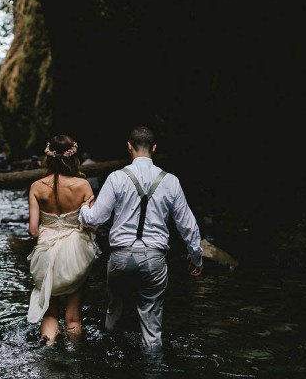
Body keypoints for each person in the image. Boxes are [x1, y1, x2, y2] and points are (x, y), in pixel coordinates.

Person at [78, 126, 203, 353]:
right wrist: (196, 258)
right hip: (154, 259)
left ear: (129, 147)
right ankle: (152, 367)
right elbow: (188, 224)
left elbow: (95, 219)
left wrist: (83, 209)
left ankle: (107, 360)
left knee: (114, 310)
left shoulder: (116, 178)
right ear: (154, 149)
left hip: (120, 256)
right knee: (152, 324)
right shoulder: (171, 181)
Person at [27, 135, 101, 346]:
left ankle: (48, 351)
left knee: (50, 312)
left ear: (48, 156)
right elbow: (92, 225)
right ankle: (74, 359)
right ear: (73, 156)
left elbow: (33, 231)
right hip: (76, 254)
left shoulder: (36, 187)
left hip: (47, 253)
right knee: (74, 316)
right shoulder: (83, 185)